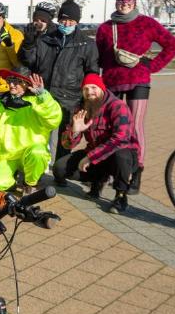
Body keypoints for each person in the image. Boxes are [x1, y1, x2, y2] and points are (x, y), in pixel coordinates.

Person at [95, 0, 175, 194]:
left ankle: (137, 172)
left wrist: (153, 66)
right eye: (121, 1)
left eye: (128, 2)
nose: (124, 5)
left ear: (134, 3)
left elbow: (172, 45)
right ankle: (107, 168)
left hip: (138, 81)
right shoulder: (106, 28)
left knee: (135, 126)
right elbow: (98, 57)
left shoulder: (147, 23)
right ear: (116, 3)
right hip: (111, 81)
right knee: (109, 126)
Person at [19, 0, 99, 162]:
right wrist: (28, 45)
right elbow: (30, 62)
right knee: (39, 133)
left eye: (71, 21)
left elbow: (92, 72)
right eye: (63, 20)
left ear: (77, 22)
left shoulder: (87, 44)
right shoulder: (45, 39)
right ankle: (36, 165)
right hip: (45, 94)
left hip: (70, 98)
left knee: (66, 137)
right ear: (58, 20)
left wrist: (87, 100)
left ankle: (61, 170)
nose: (66, 23)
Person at [53, 74, 139, 214]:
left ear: (102, 88)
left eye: (93, 87)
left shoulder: (118, 106)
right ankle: (98, 180)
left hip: (121, 155)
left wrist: (90, 157)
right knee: (59, 168)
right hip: (96, 155)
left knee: (121, 155)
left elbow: (120, 139)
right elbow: (67, 145)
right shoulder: (82, 108)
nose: (89, 92)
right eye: (85, 89)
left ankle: (120, 196)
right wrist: (75, 131)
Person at [0, 66, 62, 193]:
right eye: (10, 80)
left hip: (28, 153)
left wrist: (43, 96)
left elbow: (54, 118)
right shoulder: (0, 102)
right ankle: (10, 178)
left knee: (38, 154)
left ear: (26, 83)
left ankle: (30, 183)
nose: (11, 85)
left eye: (17, 81)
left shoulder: (38, 102)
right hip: (5, 154)